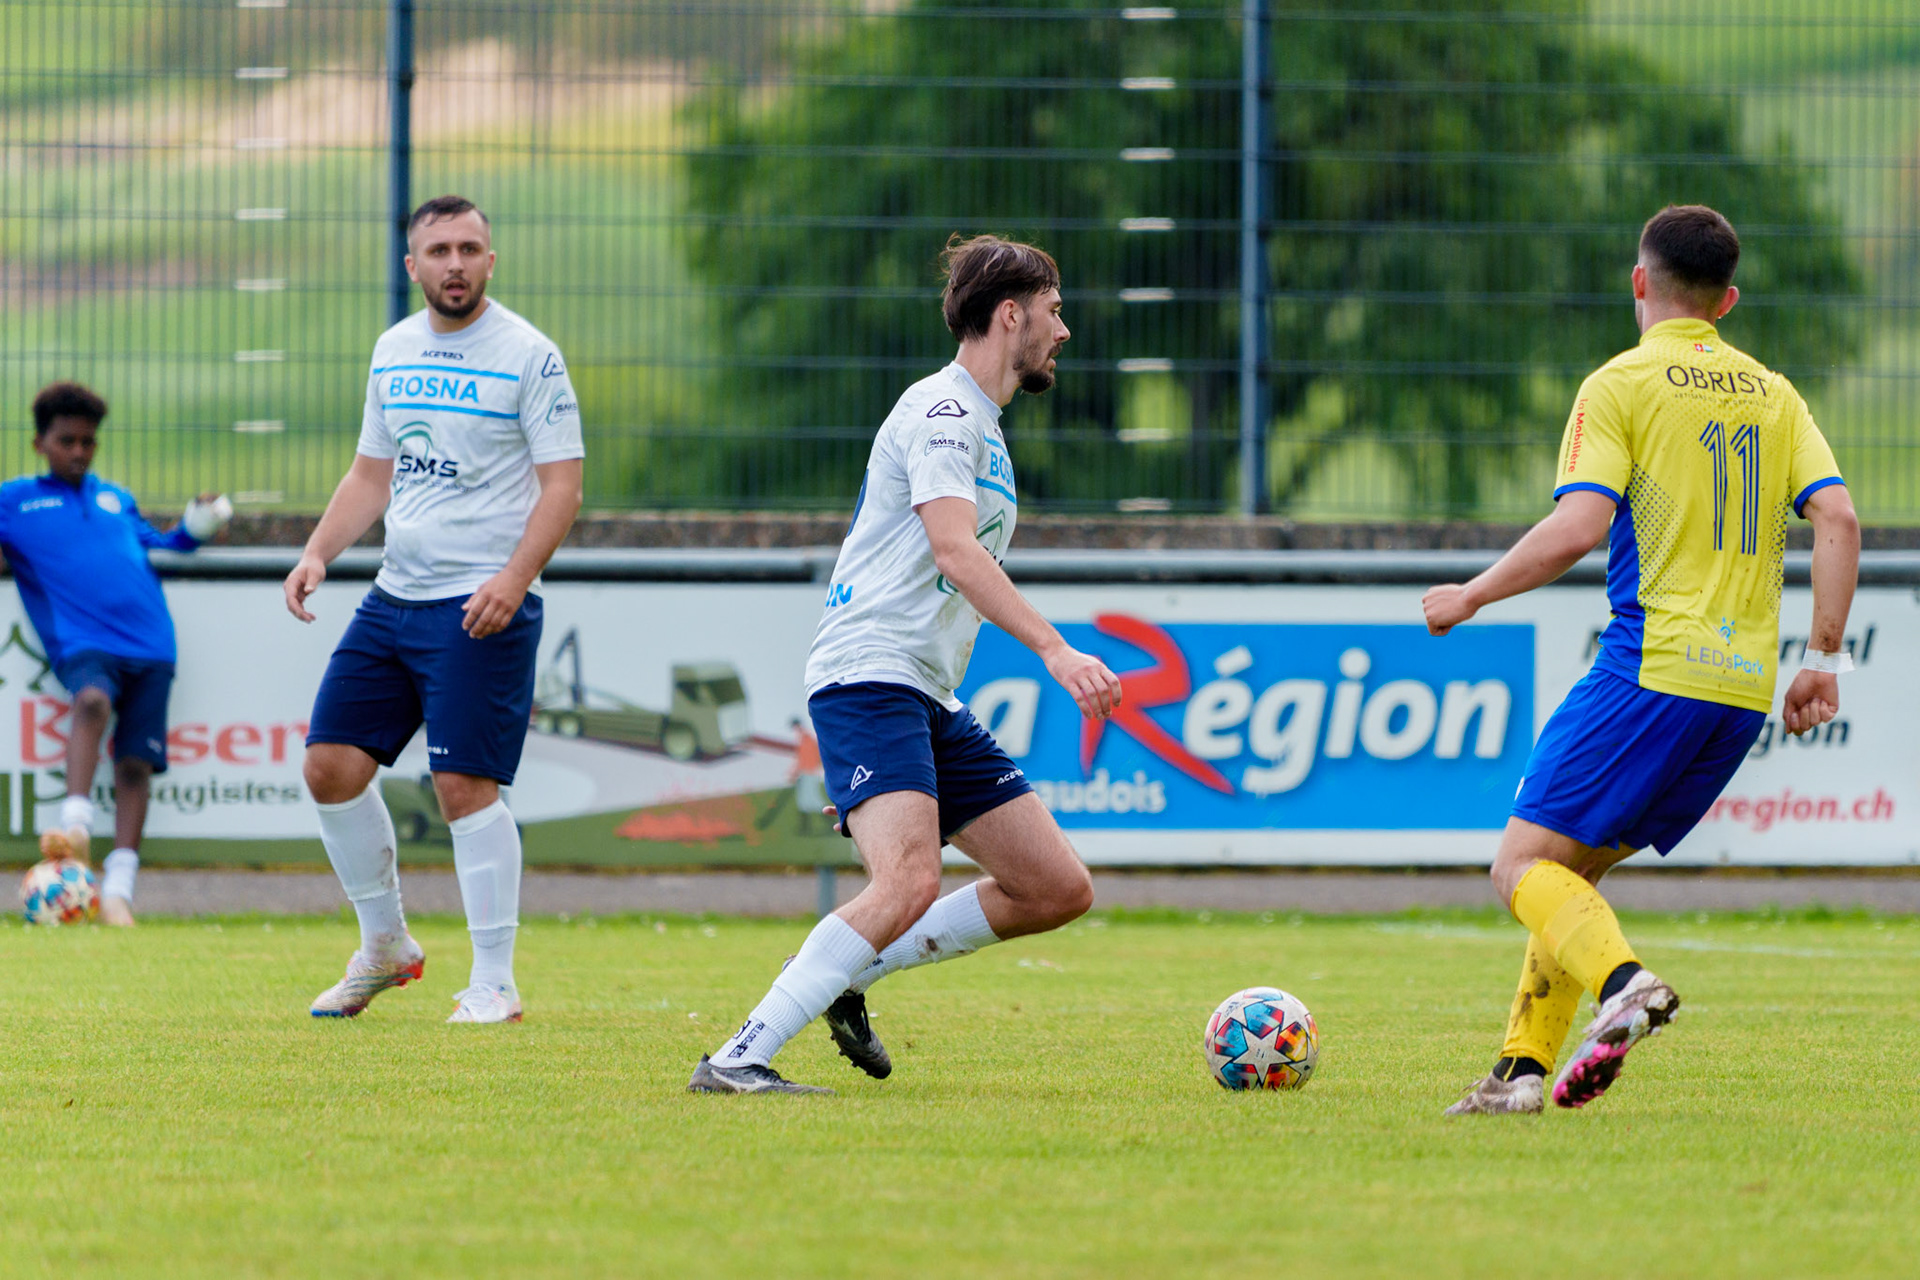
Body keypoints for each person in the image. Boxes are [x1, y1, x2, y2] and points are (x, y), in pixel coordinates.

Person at [1423, 204, 1860, 1114]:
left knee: (1519, 867)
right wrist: (1822, 658)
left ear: (1638, 282)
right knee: (1571, 870)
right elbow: (1839, 519)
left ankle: (1625, 986)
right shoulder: (1776, 395)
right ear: (1727, 301)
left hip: (1650, 669)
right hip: (1740, 693)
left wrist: (1472, 595)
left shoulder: (1620, 383)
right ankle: (1520, 1073)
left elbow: (1577, 528)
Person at [690, 234, 1123, 1095]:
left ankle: (847, 974)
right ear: (1011, 315)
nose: (1063, 331)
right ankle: (738, 1058)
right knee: (910, 880)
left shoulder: (982, 427)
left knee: (1054, 886)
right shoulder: (945, 414)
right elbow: (955, 551)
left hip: (921, 692)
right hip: (870, 674)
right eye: (1054, 310)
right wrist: (1055, 648)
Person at [284, 194, 584, 1024]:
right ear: (412, 265)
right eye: (440, 250)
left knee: (462, 786)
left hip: (482, 601)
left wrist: (515, 579)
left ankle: (494, 982)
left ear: (491, 260)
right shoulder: (394, 348)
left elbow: (563, 486)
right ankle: (385, 945)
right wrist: (317, 552)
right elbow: (370, 475)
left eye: (470, 249)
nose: (456, 263)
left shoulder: (530, 355)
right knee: (330, 767)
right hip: (396, 596)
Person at [0, 382, 230, 926]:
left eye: (88, 442)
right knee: (91, 701)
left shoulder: (115, 499)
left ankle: (119, 891)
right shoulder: (15, 501)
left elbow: (166, 545)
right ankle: (75, 826)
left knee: (134, 765)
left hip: (152, 643)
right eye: (67, 441)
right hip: (83, 640)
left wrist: (198, 523)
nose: (79, 452)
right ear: (39, 443)